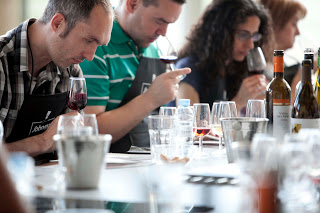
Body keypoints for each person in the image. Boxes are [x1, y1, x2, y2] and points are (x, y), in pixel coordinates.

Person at [0, 0, 114, 163]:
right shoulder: (1, 61)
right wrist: (43, 142)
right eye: (89, 40)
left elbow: (73, 149)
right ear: (58, 23)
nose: (90, 56)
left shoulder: (72, 71)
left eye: (98, 45)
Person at [80, 0, 191, 152]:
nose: (164, 32)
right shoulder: (95, 46)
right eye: (159, 21)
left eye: (169, 24)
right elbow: (88, 130)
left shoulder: (154, 46)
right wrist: (151, 98)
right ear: (132, 4)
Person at [169, 0, 272, 115]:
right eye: (243, 35)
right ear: (221, 34)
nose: (251, 44)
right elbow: (190, 124)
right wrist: (238, 102)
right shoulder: (188, 68)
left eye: (254, 36)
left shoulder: (231, 67)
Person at [257, 0, 307, 100]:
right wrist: (303, 75)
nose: (298, 32)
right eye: (294, 24)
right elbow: (276, 111)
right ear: (275, 24)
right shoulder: (256, 69)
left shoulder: (275, 65)